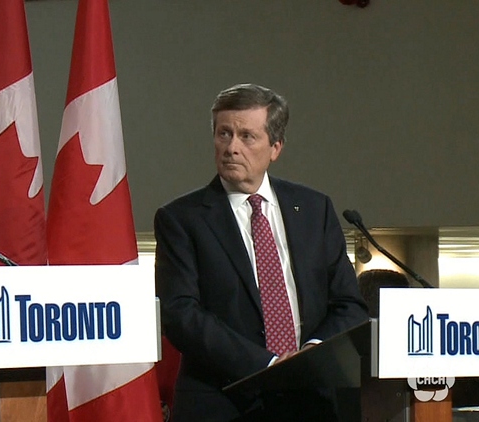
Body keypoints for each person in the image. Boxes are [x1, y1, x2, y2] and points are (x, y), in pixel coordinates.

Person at [154, 83, 368, 421]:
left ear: (276, 147)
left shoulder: (314, 209)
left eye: (246, 137)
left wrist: (311, 357)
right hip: (222, 402)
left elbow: (348, 305)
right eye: (223, 134)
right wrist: (267, 366)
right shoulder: (181, 218)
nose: (231, 148)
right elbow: (180, 315)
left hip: (310, 401)